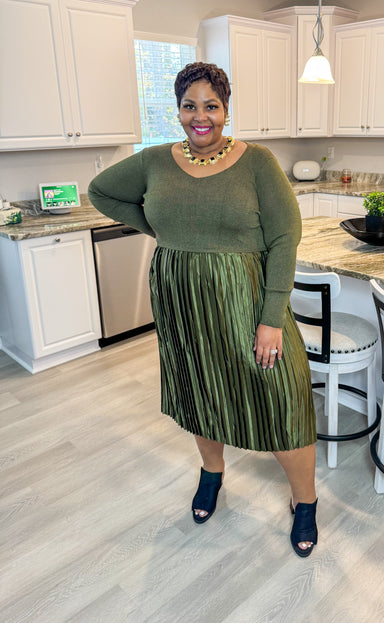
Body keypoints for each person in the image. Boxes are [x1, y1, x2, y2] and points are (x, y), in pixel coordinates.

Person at [88, 62, 318, 557]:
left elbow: (285, 238)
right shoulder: (154, 160)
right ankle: (212, 474)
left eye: (210, 106)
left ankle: (306, 501)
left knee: (283, 398)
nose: (200, 117)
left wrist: (272, 317)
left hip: (248, 300)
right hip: (181, 301)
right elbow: (101, 191)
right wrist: (161, 230)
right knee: (199, 387)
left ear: (226, 109)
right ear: (178, 110)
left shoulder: (258, 162)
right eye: (190, 106)